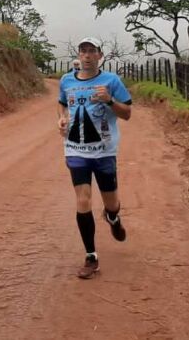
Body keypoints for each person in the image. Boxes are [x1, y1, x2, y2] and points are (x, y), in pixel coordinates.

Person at [57, 37, 133, 279]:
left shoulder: (111, 81)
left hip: (104, 151)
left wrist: (109, 100)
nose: (87, 55)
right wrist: (61, 118)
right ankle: (91, 256)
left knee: (111, 202)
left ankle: (112, 217)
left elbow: (128, 113)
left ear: (100, 56)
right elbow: (61, 104)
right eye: (83, 51)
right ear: (78, 55)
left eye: (92, 51)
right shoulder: (66, 80)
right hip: (75, 149)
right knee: (83, 200)